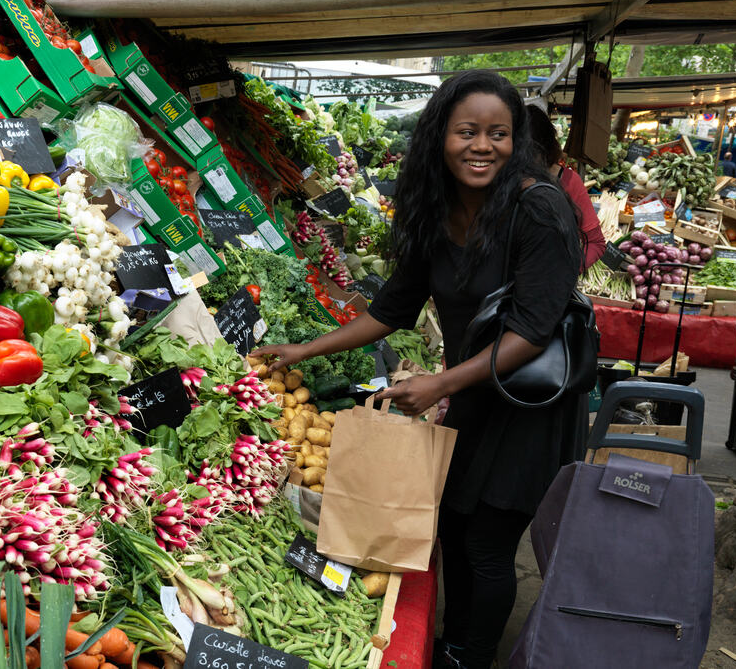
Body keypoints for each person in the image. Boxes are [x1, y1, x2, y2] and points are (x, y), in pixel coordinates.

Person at [254, 71, 584, 669]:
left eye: (499, 134)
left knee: (486, 544)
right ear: (439, 136)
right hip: (475, 399)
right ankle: (454, 643)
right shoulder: (436, 211)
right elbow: (391, 309)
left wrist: (439, 383)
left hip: (529, 408)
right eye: (467, 131)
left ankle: (469, 656)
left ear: (517, 143)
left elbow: (532, 333)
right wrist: (306, 350)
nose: (482, 146)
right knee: (454, 528)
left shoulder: (539, 209)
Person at [525, 105, 606, 270]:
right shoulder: (498, 180)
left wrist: (568, 272)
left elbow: (595, 242)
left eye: (531, 151)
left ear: (546, 146)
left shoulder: (569, 181)